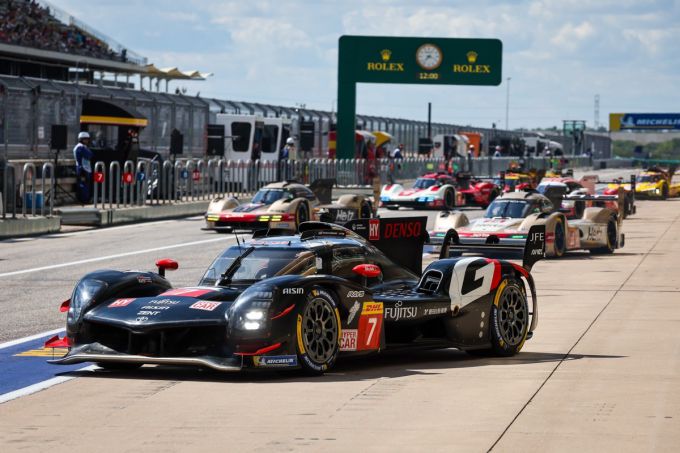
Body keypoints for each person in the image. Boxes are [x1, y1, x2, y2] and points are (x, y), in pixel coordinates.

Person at [73, 131, 93, 203]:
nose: (87, 141)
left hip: (81, 167)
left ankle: (83, 199)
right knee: (84, 185)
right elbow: (90, 155)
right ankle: (85, 199)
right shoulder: (81, 147)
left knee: (82, 184)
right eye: (86, 139)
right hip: (83, 168)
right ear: (82, 139)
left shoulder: (77, 147)